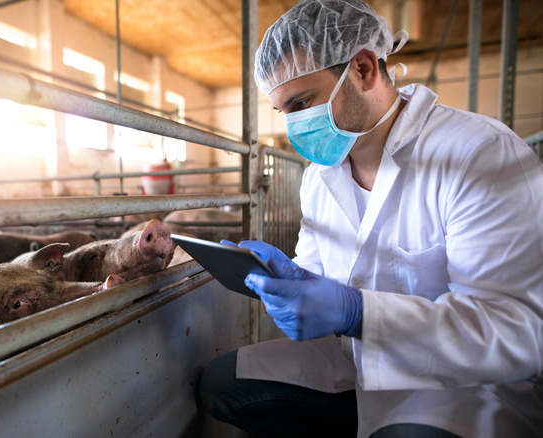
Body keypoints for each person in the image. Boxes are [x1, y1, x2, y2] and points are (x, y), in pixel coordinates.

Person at [198, 0, 543, 437]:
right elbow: (319, 278)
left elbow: (518, 332)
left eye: (303, 102)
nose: (295, 125)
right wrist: (283, 278)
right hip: (356, 361)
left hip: (462, 385)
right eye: (285, 111)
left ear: (363, 68)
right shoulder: (319, 177)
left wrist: (359, 313)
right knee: (224, 383)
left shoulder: (479, 153)